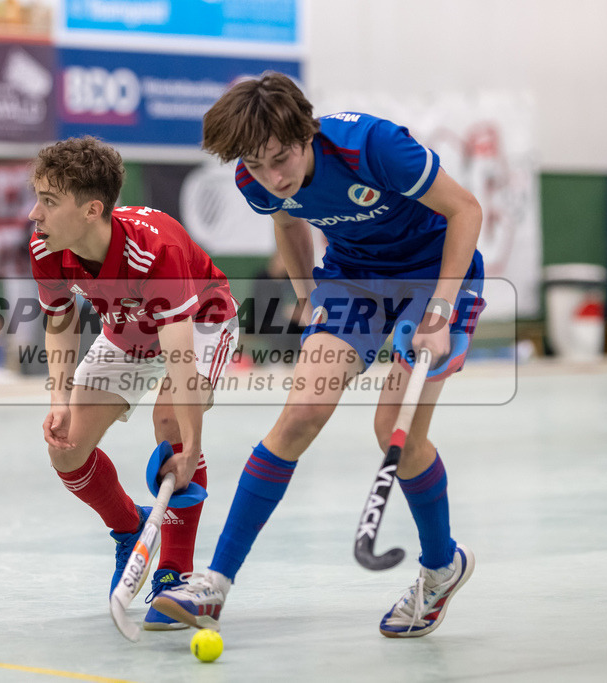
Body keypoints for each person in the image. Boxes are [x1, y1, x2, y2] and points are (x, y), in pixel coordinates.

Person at [153, 72, 486, 638]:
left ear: (305, 132)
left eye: (281, 159)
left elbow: (467, 211)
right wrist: (308, 297)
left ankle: (440, 568)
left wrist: (440, 312)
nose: (272, 178)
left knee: (395, 431)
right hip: (352, 283)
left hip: (434, 279)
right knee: (300, 416)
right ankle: (215, 583)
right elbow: (288, 221)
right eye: (257, 167)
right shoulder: (255, 178)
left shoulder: (374, 148)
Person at [28, 136, 239, 631]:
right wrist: (60, 397)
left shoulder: (154, 250)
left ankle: (175, 574)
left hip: (201, 324)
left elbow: (181, 356)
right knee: (66, 447)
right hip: (125, 332)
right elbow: (58, 320)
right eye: (37, 196)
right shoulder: (47, 246)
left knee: (169, 419)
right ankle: (130, 527)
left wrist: (193, 446)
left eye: (49, 201)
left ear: (91, 210)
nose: (35, 212)